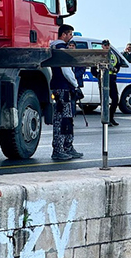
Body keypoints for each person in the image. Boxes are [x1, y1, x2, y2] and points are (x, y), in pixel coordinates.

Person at [49, 24, 83, 160]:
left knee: (64, 118)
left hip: (58, 86)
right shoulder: (61, 48)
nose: (71, 37)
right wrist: (75, 85)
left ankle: (66, 147)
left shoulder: (52, 47)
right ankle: (60, 149)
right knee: (63, 120)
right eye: (70, 34)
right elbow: (66, 70)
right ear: (63, 35)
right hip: (63, 87)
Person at [91, 40, 120, 126]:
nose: (106, 47)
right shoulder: (99, 55)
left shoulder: (113, 55)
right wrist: (98, 76)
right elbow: (93, 68)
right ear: (102, 46)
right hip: (103, 79)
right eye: (105, 45)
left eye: (108, 45)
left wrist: (116, 70)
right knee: (104, 100)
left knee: (115, 99)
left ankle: (111, 117)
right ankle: (105, 119)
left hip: (111, 79)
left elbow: (117, 64)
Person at [68, 40, 86, 116]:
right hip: (67, 81)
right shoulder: (66, 56)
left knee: (73, 100)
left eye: (73, 46)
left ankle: (72, 116)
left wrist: (74, 75)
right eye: (70, 45)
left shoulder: (79, 57)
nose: (71, 47)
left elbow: (82, 69)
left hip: (76, 81)